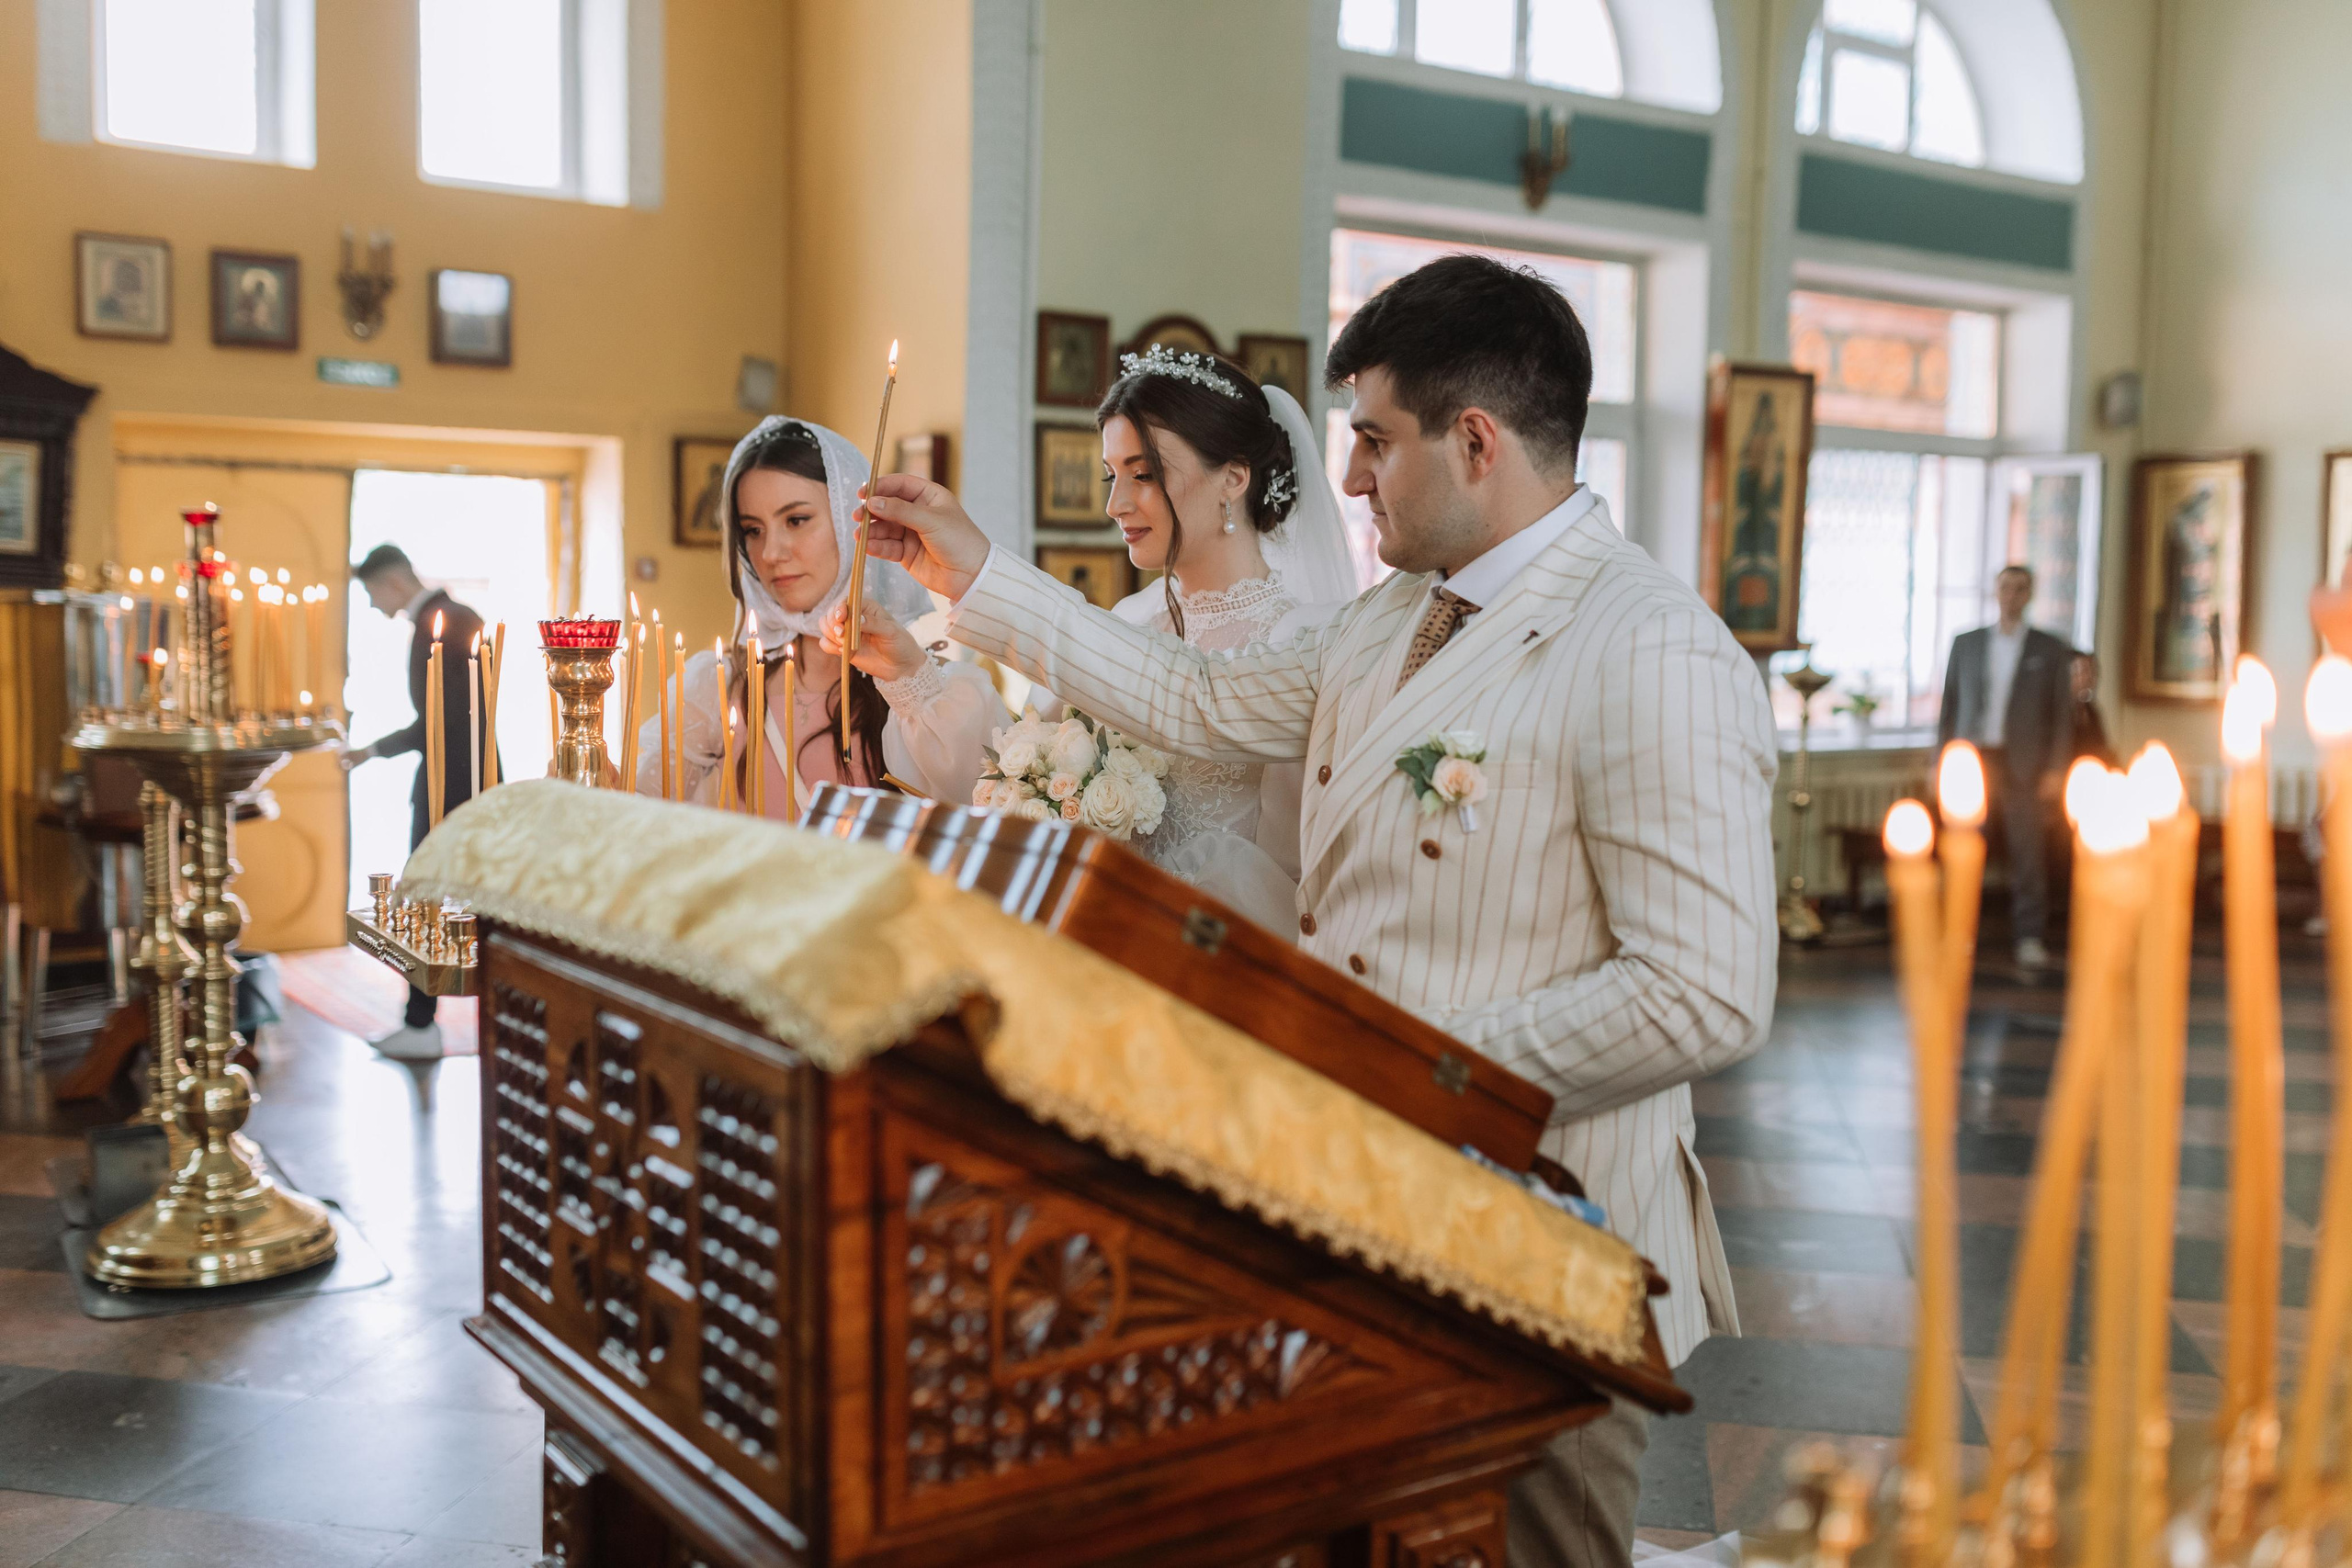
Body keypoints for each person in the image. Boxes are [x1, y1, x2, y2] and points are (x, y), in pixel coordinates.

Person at [860, 254, 1778, 1568]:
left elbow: (1702, 992)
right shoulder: (1394, 615)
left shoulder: (1650, 646)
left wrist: (1402, 1073)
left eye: (1375, 441)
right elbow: (1195, 701)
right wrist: (978, 576)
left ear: (1475, 443)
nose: (1346, 477)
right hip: (1378, 1205)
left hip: (1548, 1241)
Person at [1023, 347, 1352, 934]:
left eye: (1144, 474)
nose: (1115, 505)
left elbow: (1301, 867)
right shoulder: (1128, 620)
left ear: (1234, 478)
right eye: (1112, 475)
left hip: (1227, 942)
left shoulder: (1300, 641)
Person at [636, 417, 1007, 808]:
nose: (771, 553)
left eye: (796, 520)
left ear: (852, 522)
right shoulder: (718, 686)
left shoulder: (930, 693)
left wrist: (911, 680)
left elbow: (988, 809)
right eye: (753, 530)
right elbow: (638, 807)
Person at [342, 544, 492, 1060]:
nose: (372, 605)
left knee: (425, 900)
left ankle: (422, 1024)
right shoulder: (449, 618)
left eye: (370, 593)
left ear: (392, 582)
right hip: (465, 778)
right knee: (442, 902)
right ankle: (426, 1021)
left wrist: (371, 750)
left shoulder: (442, 623)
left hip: (455, 785)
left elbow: (443, 719)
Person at [1935, 566, 2075, 971]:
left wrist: (2056, 770)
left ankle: (2029, 936)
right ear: (1995, 592)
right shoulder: (1966, 643)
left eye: (2020, 589)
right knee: (1964, 849)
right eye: (2005, 588)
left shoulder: (2050, 648)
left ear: (2029, 595)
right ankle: (1958, 933)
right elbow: (1949, 707)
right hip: (1972, 761)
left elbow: (2061, 715)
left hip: (2025, 765)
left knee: (2027, 851)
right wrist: (1940, 761)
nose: (2011, 596)